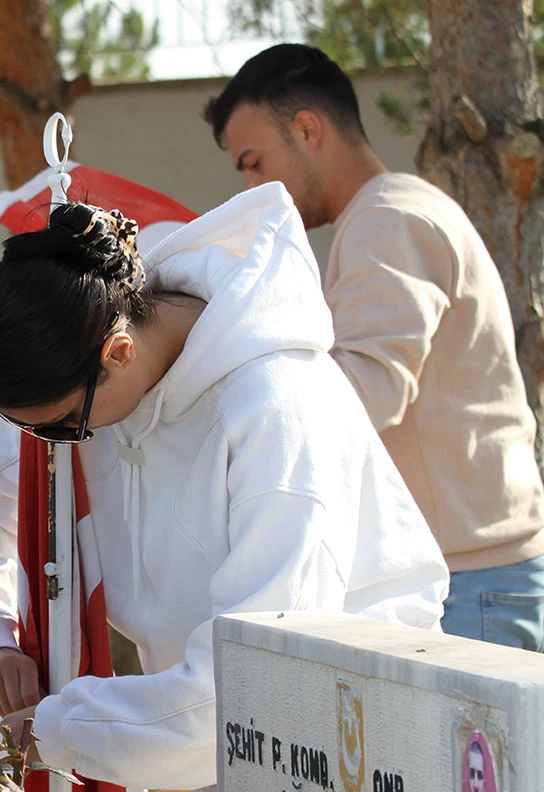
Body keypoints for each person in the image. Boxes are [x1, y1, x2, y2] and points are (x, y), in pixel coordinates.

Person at [0, 187, 448, 792]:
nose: (50, 445)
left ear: (118, 352)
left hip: (344, 750)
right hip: (219, 738)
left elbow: (256, 682)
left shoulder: (276, 410)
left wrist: (64, 728)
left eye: (60, 427)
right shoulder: (85, 371)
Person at [203, 43, 544, 651]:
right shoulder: (390, 213)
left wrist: (246, 361)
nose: (251, 189)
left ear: (308, 129)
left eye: (253, 163)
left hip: (469, 580)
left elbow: (369, 391)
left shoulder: (386, 222)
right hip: (475, 572)